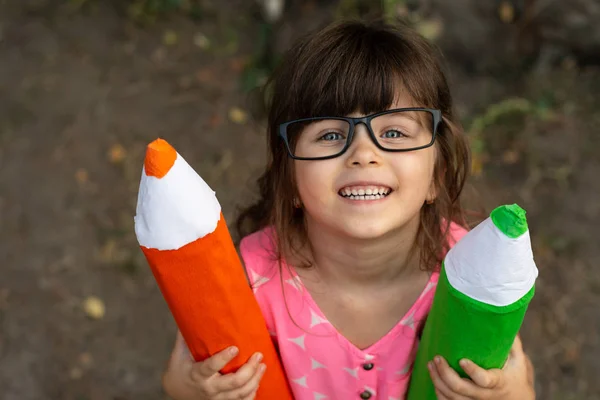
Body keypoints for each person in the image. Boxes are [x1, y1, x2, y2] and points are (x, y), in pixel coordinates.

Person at [161, 19, 536, 400]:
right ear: (289, 178)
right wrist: (190, 388)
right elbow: (183, 385)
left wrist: (507, 394)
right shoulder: (249, 281)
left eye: (394, 132)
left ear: (436, 174)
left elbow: (518, 386)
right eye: (330, 135)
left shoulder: (470, 276)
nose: (363, 154)